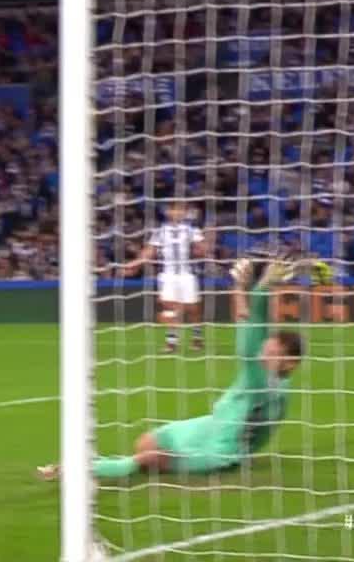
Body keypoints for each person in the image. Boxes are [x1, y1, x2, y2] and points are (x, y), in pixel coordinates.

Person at [38, 255, 304, 481]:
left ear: (290, 362)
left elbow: (252, 337)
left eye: (273, 352)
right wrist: (241, 287)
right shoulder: (270, 380)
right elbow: (250, 327)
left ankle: (74, 470)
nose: (265, 353)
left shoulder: (267, 383)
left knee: (147, 458)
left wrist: (262, 288)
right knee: (147, 441)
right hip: (210, 425)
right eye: (267, 349)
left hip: (219, 449)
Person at [126, 202, 207, 352]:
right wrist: (135, 263)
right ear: (168, 212)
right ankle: (171, 342)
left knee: (193, 309)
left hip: (187, 274)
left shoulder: (192, 230)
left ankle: (197, 338)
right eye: (174, 209)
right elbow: (149, 252)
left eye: (181, 209)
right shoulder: (160, 232)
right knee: (168, 306)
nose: (177, 212)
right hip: (168, 275)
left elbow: (202, 250)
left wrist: (202, 247)